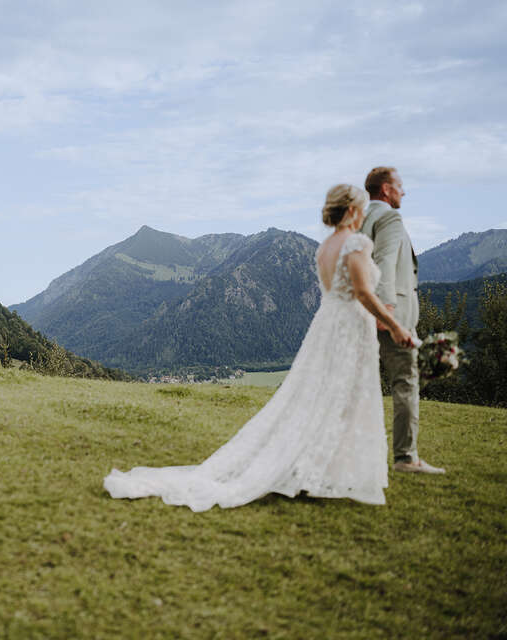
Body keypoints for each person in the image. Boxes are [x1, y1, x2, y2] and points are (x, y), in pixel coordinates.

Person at [103, 185, 414, 511]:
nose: (364, 214)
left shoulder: (324, 248)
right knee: (345, 396)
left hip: (327, 327)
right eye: (362, 208)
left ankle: (315, 469)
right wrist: (394, 326)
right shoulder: (356, 243)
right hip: (349, 327)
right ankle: (326, 472)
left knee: (320, 396)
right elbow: (363, 293)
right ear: (352, 210)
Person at [361, 167, 444, 474]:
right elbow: (382, 262)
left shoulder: (359, 218)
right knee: (405, 383)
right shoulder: (389, 218)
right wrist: (387, 313)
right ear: (385, 189)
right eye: (399, 186)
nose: (403, 192)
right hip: (390, 314)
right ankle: (406, 458)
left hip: (361, 312)